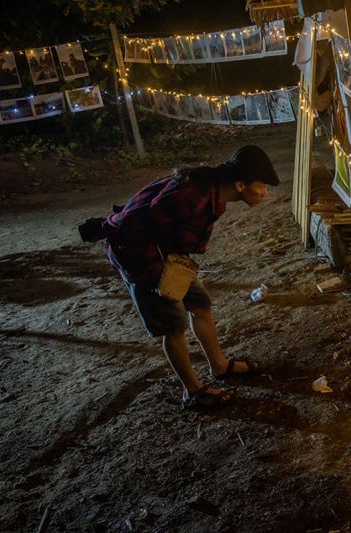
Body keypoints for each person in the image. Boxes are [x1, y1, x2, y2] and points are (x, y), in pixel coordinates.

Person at [101, 146, 279, 408]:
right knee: (173, 325)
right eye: (261, 185)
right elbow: (144, 221)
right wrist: (162, 274)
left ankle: (218, 366)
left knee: (201, 304)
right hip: (141, 255)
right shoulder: (194, 195)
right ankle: (192, 391)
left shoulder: (212, 189)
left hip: (169, 257)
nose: (265, 193)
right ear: (240, 184)